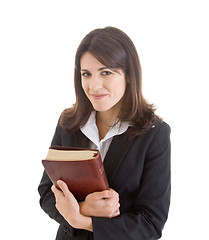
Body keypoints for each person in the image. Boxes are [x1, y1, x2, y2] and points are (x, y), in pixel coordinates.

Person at [38, 26, 171, 240]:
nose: (94, 85)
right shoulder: (69, 123)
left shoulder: (154, 134)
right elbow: (46, 193)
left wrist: (80, 219)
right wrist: (84, 207)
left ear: (128, 75)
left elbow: (150, 224)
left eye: (106, 72)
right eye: (86, 74)